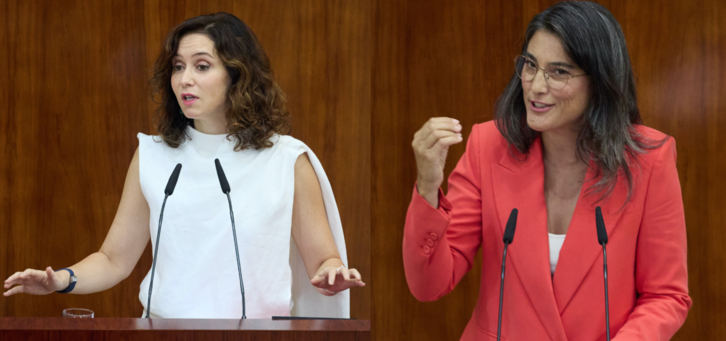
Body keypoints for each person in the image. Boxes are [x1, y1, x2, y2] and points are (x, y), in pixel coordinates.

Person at [3, 12, 364, 319]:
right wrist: (61, 281)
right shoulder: (154, 155)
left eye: (201, 66)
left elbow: (324, 260)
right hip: (163, 332)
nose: (184, 79)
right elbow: (113, 259)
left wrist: (333, 272)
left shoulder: (286, 159)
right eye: (178, 67)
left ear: (237, 75)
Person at [404, 2, 690, 340]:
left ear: (599, 81)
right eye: (530, 65)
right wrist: (427, 186)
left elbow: (666, 296)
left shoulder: (648, 160)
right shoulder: (488, 146)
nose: (536, 86)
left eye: (558, 72)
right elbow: (429, 284)